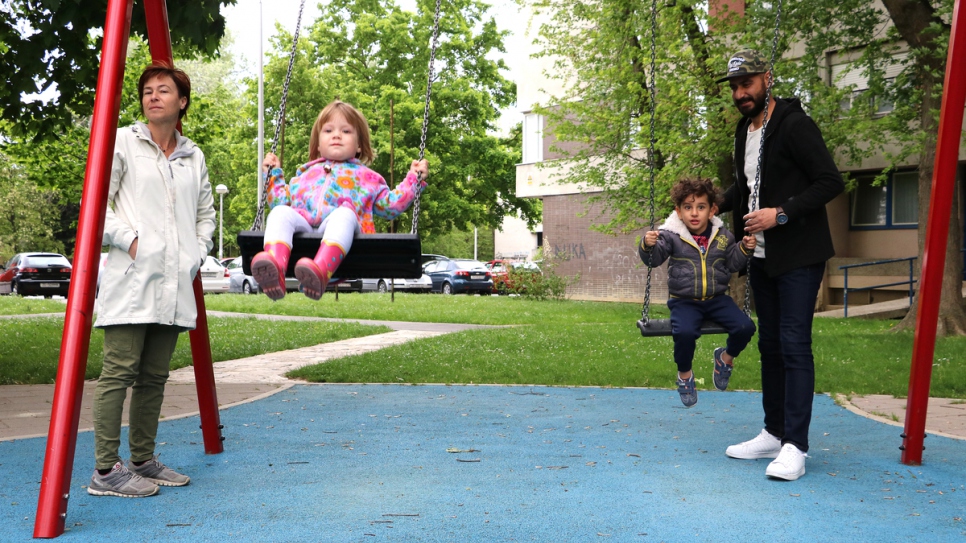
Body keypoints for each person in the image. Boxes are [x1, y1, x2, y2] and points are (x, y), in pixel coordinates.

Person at [716, 49, 845, 481]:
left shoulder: (794, 125)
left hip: (799, 255)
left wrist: (780, 214)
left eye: (747, 83)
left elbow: (830, 181)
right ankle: (773, 432)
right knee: (770, 346)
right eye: (735, 86)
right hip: (761, 257)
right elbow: (746, 185)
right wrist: (710, 205)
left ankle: (796, 446)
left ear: (766, 79)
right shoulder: (743, 131)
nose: (740, 93)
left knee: (793, 344)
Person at [91, 62, 215, 497]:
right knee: (119, 370)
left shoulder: (192, 155)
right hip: (131, 276)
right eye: (147, 90)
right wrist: (132, 241)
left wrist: (193, 257)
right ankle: (106, 471)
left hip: (174, 283)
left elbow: (205, 216)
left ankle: (142, 459)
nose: (153, 96)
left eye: (164, 90)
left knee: (154, 376)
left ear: (182, 102)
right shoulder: (124, 141)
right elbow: (96, 204)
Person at [251, 100, 429, 300]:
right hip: (306, 229)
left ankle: (320, 271)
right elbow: (279, 202)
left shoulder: (368, 178)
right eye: (328, 131)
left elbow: (390, 206)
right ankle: (276, 267)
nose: (336, 135)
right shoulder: (304, 175)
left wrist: (413, 180)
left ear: (359, 145)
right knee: (280, 213)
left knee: (344, 213)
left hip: (344, 237)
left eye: (346, 131)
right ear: (318, 144)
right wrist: (273, 176)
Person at [640, 178, 757, 408]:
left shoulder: (723, 236)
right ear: (679, 211)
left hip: (717, 299)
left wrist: (743, 249)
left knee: (746, 327)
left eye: (701, 207)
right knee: (684, 333)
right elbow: (654, 259)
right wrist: (647, 244)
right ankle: (685, 375)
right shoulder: (671, 235)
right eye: (688, 207)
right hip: (684, 301)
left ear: (712, 210)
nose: (694, 213)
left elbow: (732, 264)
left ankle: (725, 358)